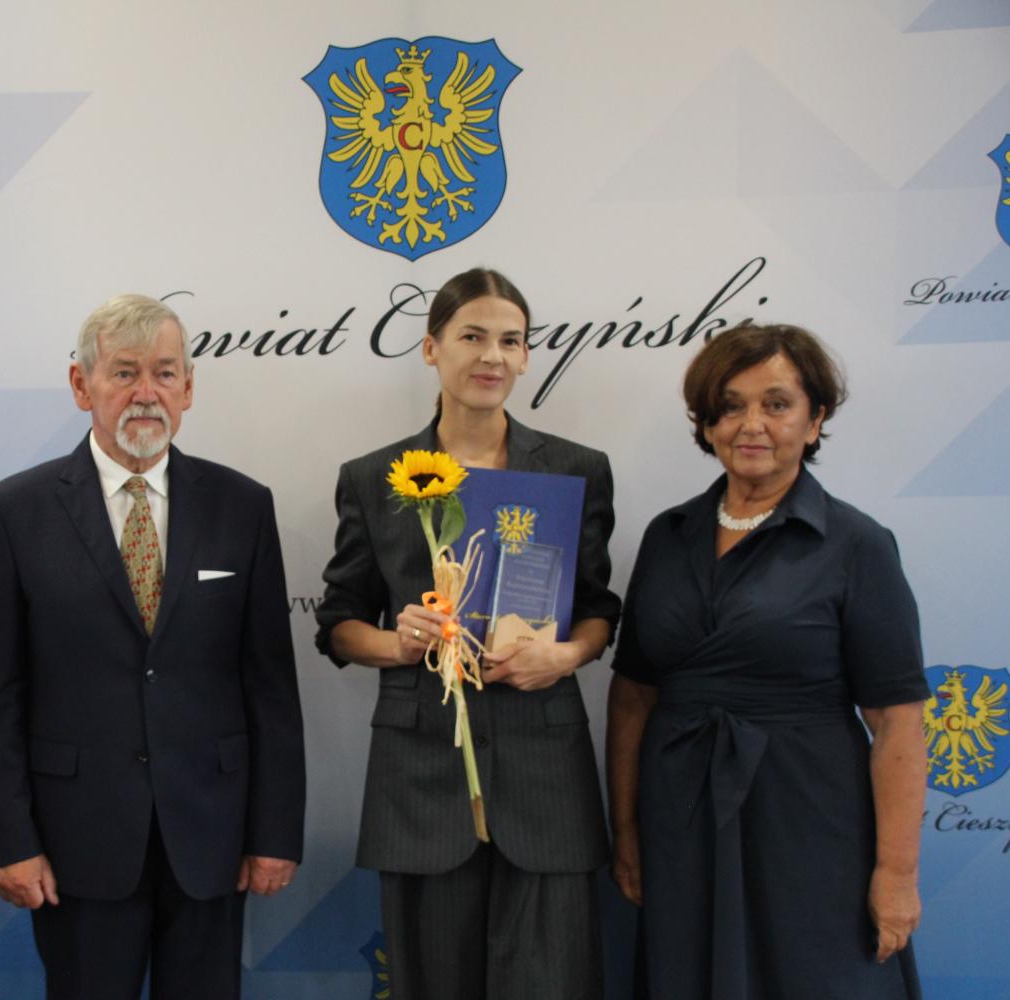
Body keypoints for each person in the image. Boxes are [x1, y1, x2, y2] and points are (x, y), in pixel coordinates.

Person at [0, 293, 306, 1000]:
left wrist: (274, 832)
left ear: (188, 388)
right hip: (75, 844)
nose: (146, 392)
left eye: (164, 373)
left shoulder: (243, 506)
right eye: (124, 372)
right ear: (81, 384)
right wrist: (8, 839)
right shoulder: (15, 511)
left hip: (210, 839)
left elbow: (269, 685)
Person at [315, 267, 620, 1000]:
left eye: (510, 341)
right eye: (473, 336)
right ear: (431, 348)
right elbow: (338, 625)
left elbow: (599, 609)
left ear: (526, 356)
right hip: (423, 778)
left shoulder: (577, 469)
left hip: (545, 773)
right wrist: (397, 643)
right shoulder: (374, 476)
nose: (492, 356)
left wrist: (566, 655)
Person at [605, 323, 927, 999]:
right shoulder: (667, 536)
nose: (751, 424)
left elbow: (897, 720)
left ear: (815, 420)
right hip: (680, 814)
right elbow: (633, 696)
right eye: (730, 406)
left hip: (809, 816)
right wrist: (626, 828)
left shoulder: (857, 544)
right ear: (707, 423)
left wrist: (897, 874)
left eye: (776, 404)